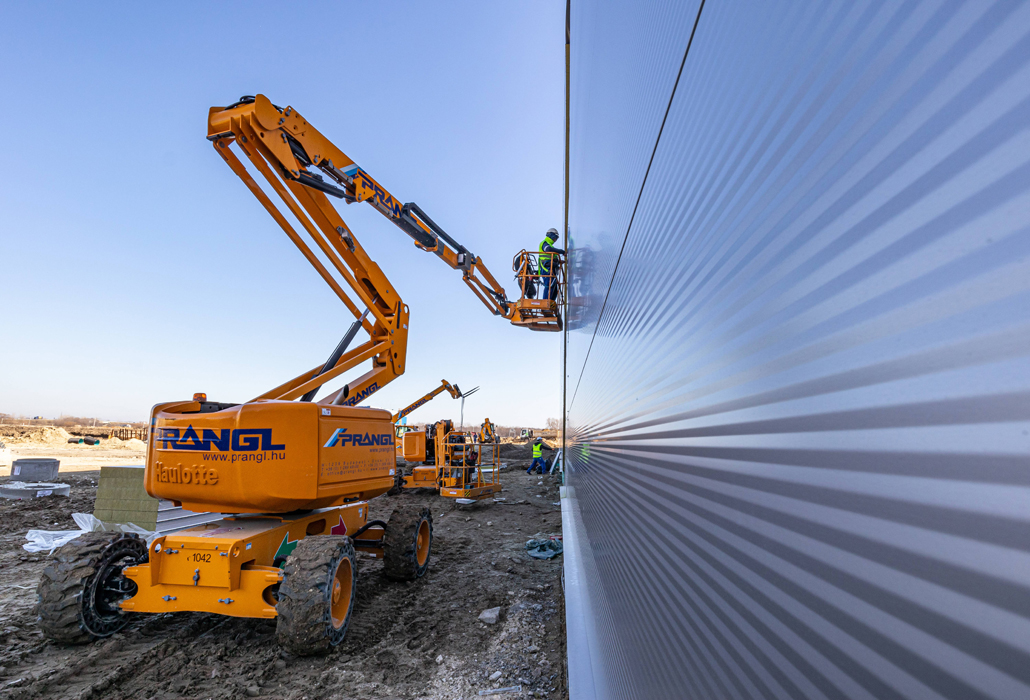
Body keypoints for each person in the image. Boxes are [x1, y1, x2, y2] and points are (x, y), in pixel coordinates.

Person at [537, 228, 565, 301]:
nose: (555, 240)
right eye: (555, 237)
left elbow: (552, 257)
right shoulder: (545, 243)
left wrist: (559, 261)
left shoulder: (550, 245)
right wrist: (562, 252)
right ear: (551, 235)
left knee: (554, 288)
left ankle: (550, 303)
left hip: (550, 268)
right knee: (549, 285)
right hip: (546, 268)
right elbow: (548, 250)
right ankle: (546, 303)